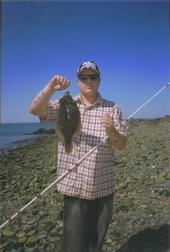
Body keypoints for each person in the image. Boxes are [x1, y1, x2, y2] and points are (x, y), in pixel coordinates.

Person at [29, 60, 127, 252]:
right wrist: (50, 87)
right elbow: (35, 110)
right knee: (72, 246)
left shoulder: (112, 108)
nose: (88, 81)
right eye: (84, 77)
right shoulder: (66, 103)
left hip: (102, 188)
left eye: (93, 77)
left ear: (99, 80)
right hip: (74, 189)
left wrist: (112, 130)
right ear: (78, 81)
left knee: (95, 244)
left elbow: (122, 145)